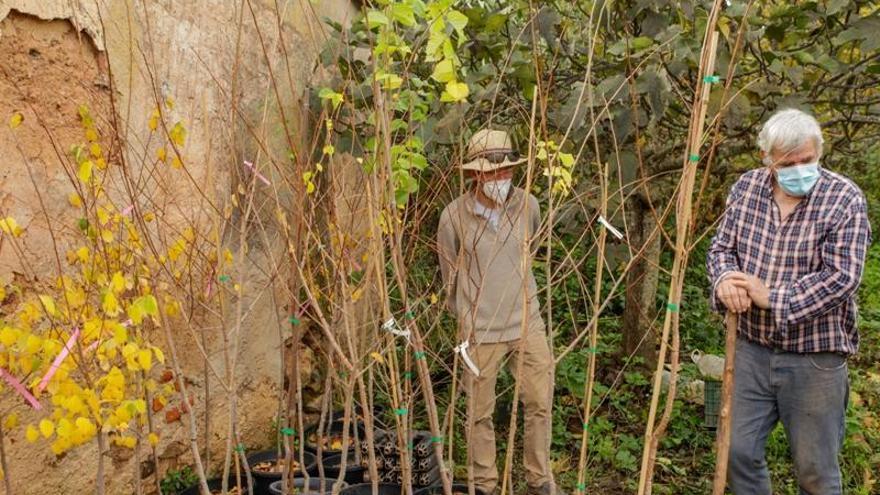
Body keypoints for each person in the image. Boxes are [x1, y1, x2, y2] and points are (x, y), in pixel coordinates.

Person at [707, 108, 872, 494]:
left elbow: (842, 277)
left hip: (815, 359)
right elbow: (721, 249)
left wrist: (773, 297)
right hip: (750, 350)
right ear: (768, 160)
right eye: (788, 163)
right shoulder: (746, 188)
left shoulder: (844, 199)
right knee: (736, 452)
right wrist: (725, 281)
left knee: (815, 472)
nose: (800, 169)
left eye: (808, 160)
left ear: (819, 153)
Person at [437, 129, 560, 495]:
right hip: (480, 330)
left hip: (527, 323)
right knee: (479, 413)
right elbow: (449, 276)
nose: (500, 179)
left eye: (507, 172)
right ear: (475, 174)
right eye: (492, 173)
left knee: (540, 403)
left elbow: (531, 252)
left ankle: (539, 479)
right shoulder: (453, 217)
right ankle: (485, 484)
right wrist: (466, 319)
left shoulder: (529, 205)